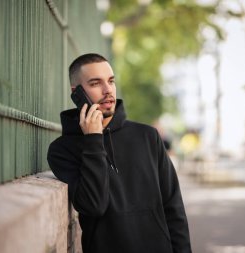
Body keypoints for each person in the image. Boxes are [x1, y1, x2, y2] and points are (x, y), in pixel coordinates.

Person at [47, 53, 191, 253]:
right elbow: (94, 205)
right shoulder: (62, 150)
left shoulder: (147, 137)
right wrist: (93, 141)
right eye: (96, 83)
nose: (108, 90)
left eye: (111, 81)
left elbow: (173, 207)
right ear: (76, 93)